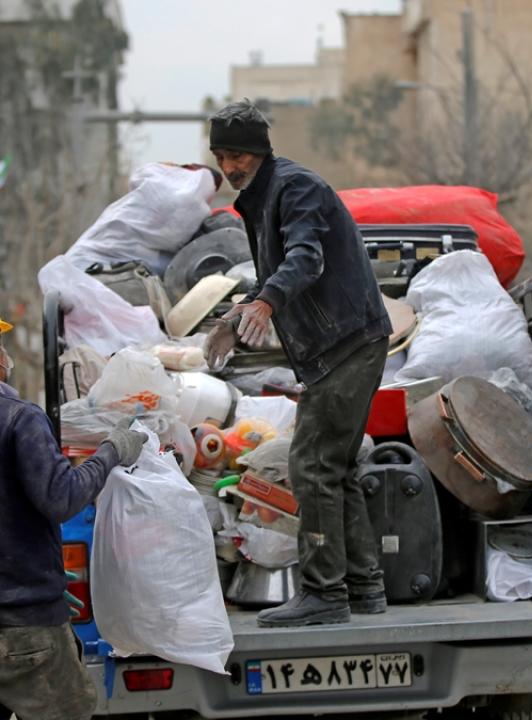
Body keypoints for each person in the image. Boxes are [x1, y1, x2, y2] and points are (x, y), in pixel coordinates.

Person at [0, 290, 145, 720]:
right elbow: (62, 498)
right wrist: (113, 449)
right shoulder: (19, 418)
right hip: (27, 635)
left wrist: (43, 578)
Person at [204, 100, 392, 627]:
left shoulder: (295, 187)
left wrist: (266, 303)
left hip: (347, 341)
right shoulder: (262, 197)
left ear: (260, 152)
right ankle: (364, 586)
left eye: (238, 155)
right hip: (336, 347)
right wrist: (237, 316)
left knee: (309, 466)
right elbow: (276, 274)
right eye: (222, 157)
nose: (230, 167)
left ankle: (324, 593)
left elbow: (305, 258)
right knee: (335, 468)